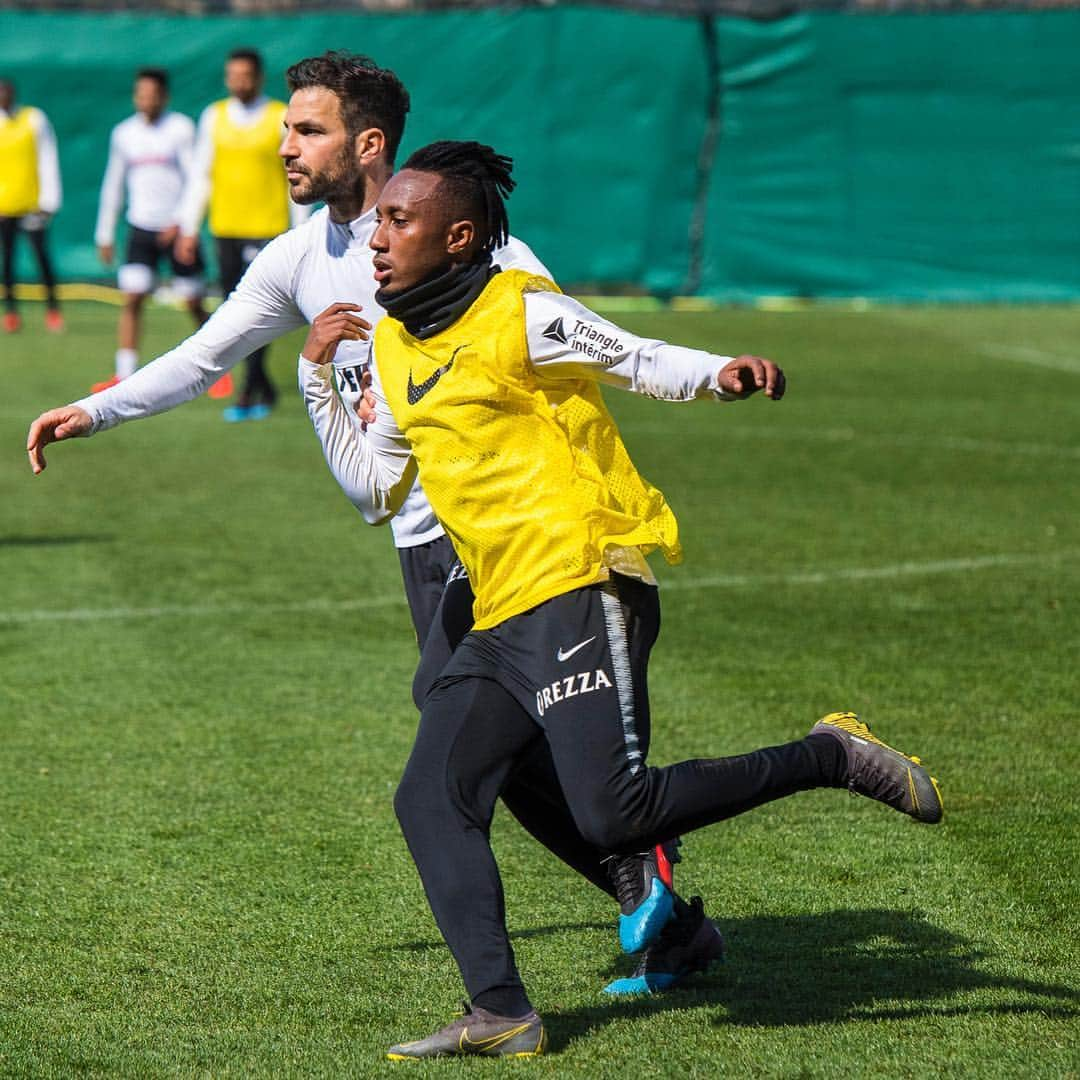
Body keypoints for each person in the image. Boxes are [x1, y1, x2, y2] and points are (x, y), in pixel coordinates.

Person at [26, 52, 717, 1003]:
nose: (284, 147)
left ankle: (625, 874)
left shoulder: (479, 248)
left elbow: (570, 353)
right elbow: (200, 357)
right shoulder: (297, 257)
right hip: (419, 544)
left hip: (513, 540)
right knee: (485, 754)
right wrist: (92, 411)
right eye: (283, 130)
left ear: (369, 143)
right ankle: (650, 885)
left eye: (305, 131)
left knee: (464, 753)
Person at [295, 139, 945, 1059]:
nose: (378, 238)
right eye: (381, 222)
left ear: (461, 236)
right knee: (430, 800)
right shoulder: (394, 343)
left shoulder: (519, 311)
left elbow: (635, 357)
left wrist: (720, 371)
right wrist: (317, 380)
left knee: (613, 815)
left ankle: (831, 756)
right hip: (496, 610)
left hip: (582, 578)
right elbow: (376, 492)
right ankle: (502, 1013)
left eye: (400, 221)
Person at [175, 48, 309, 421]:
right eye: (232, 74)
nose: (239, 81)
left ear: (259, 77)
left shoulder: (279, 116)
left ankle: (249, 389)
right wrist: (189, 228)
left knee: (259, 310)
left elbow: (294, 175)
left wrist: (301, 231)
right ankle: (259, 383)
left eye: (245, 75)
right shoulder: (213, 117)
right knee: (232, 309)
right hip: (226, 228)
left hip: (267, 228)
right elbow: (201, 175)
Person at [92, 67, 209, 393]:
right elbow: (113, 184)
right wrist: (104, 233)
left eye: (153, 94)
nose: (147, 100)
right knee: (132, 297)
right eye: (141, 94)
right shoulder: (124, 134)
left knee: (193, 301)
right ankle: (124, 375)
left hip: (176, 230)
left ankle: (217, 370)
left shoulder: (181, 129)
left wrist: (183, 223)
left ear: (164, 96)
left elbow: (197, 179)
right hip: (140, 228)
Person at [0, 77, 62, 334]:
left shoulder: (33, 119)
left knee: (42, 259)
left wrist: (48, 201)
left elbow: (48, 157)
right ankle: (11, 313)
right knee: (7, 262)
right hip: (5, 207)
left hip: (32, 206)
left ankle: (53, 311)